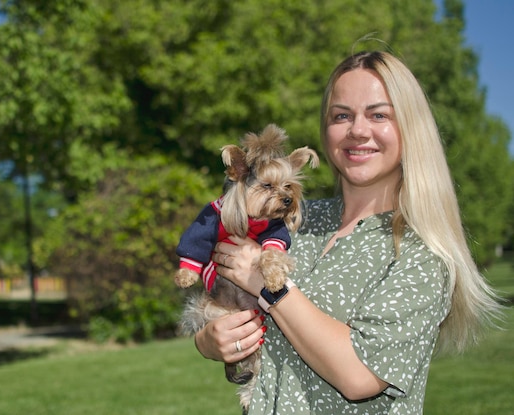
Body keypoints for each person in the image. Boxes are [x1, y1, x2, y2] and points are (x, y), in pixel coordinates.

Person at [193, 51, 502, 414]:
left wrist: (266, 284)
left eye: (378, 114)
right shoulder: (298, 220)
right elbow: (226, 299)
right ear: (326, 130)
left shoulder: (423, 252)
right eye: (342, 115)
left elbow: (360, 377)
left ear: (410, 128)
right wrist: (211, 341)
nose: (357, 130)